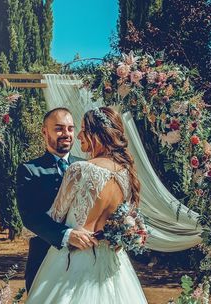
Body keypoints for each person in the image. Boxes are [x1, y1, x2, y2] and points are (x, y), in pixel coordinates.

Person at [24, 106, 148, 303]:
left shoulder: (80, 169)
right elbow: (123, 218)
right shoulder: (126, 173)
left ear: (97, 134)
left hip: (73, 261)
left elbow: (55, 217)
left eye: (82, 128)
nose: (78, 135)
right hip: (111, 262)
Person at [16, 107, 98, 294]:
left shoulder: (88, 166)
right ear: (45, 131)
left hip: (84, 258)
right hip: (44, 256)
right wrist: (68, 235)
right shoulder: (29, 170)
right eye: (59, 128)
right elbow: (30, 217)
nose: (67, 134)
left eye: (70, 128)